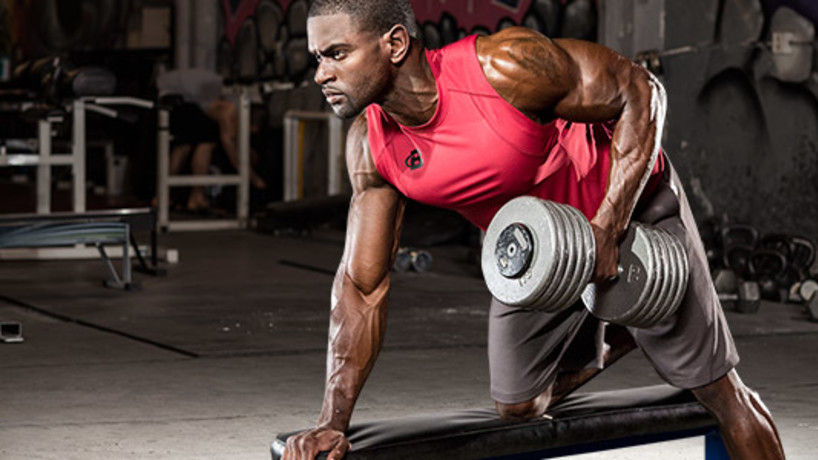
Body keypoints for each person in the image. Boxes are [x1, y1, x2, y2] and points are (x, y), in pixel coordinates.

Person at [283, 1, 785, 459]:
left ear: (394, 44)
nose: (321, 73)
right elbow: (362, 287)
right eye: (317, 58)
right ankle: (622, 330)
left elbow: (641, 91)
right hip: (538, 252)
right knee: (519, 404)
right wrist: (331, 422)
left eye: (336, 54)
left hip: (627, 210)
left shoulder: (504, 67)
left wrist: (608, 226)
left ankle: (648, 315)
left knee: (717, 391)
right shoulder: (371, 146)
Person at [156, 68, 266, 211]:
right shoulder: (229, 109)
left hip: (172, 91)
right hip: (167, 95)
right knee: (206, 141)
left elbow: (236, 142)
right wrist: (254, 179)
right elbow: (230, 146)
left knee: (187, 142)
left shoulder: (228, 99)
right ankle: (191, 197)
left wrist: (247, 155)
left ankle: (176, 197)